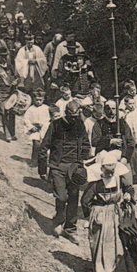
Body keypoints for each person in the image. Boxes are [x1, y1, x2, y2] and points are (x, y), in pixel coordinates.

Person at [81, 150, 137, 272]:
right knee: (103, 245)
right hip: (102, 214)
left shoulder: (119, 180)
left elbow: (129, 188)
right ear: (101, 169)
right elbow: (85, 201)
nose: (109, 174)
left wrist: (128, 196)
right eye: (107, 171)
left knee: (120, 243)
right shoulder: (96, 184)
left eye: (111, 171)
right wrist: (91, 215)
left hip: (116, 213)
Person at [38, 99, 90, 245]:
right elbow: (44, 147)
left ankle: (70, 229)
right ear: (66, 113)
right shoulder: (55, 125)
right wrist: (42, 169)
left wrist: (81, 162)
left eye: (76, 116)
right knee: (61, 197)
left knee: (73, 198)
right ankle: (59, 219)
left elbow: (86, 144)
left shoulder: (80, 125)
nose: (74, 119)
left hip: (75, 168)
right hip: (58, 166)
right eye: (71, 116)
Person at [91, 100, 135, 165]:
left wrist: (125, 157)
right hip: (104, 158)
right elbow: (94, 141)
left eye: (113, 108)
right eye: (108, 109)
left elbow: (131, 142)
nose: (111, 111)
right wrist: (110, 141)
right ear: (104, 110)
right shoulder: (99, 124)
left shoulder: (122, 123)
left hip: (121, 158)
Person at [0, 49, 19, 142]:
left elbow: (15, 77)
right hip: (0, 93)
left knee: (12, 113)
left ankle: (12, 133)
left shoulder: (10, 67)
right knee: (4, 113)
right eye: (1, 56)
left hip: (10, 92)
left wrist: (16, 82)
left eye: (5, 56)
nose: (3, 58)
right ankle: (7, 134)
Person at [23, 88, 50, 165]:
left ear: (43, 99)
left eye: (40, 100)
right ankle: (34, 161)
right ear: (33, 99)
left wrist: (44, 124)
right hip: (35, 129)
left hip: (44, 129)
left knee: (44, 146)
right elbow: (26, 119)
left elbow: (49, 118)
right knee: (36, 144)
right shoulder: (31, 109)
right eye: (36, 100)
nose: (38, 102)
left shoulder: (46, 108)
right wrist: (31, 127)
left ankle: (43, 161)